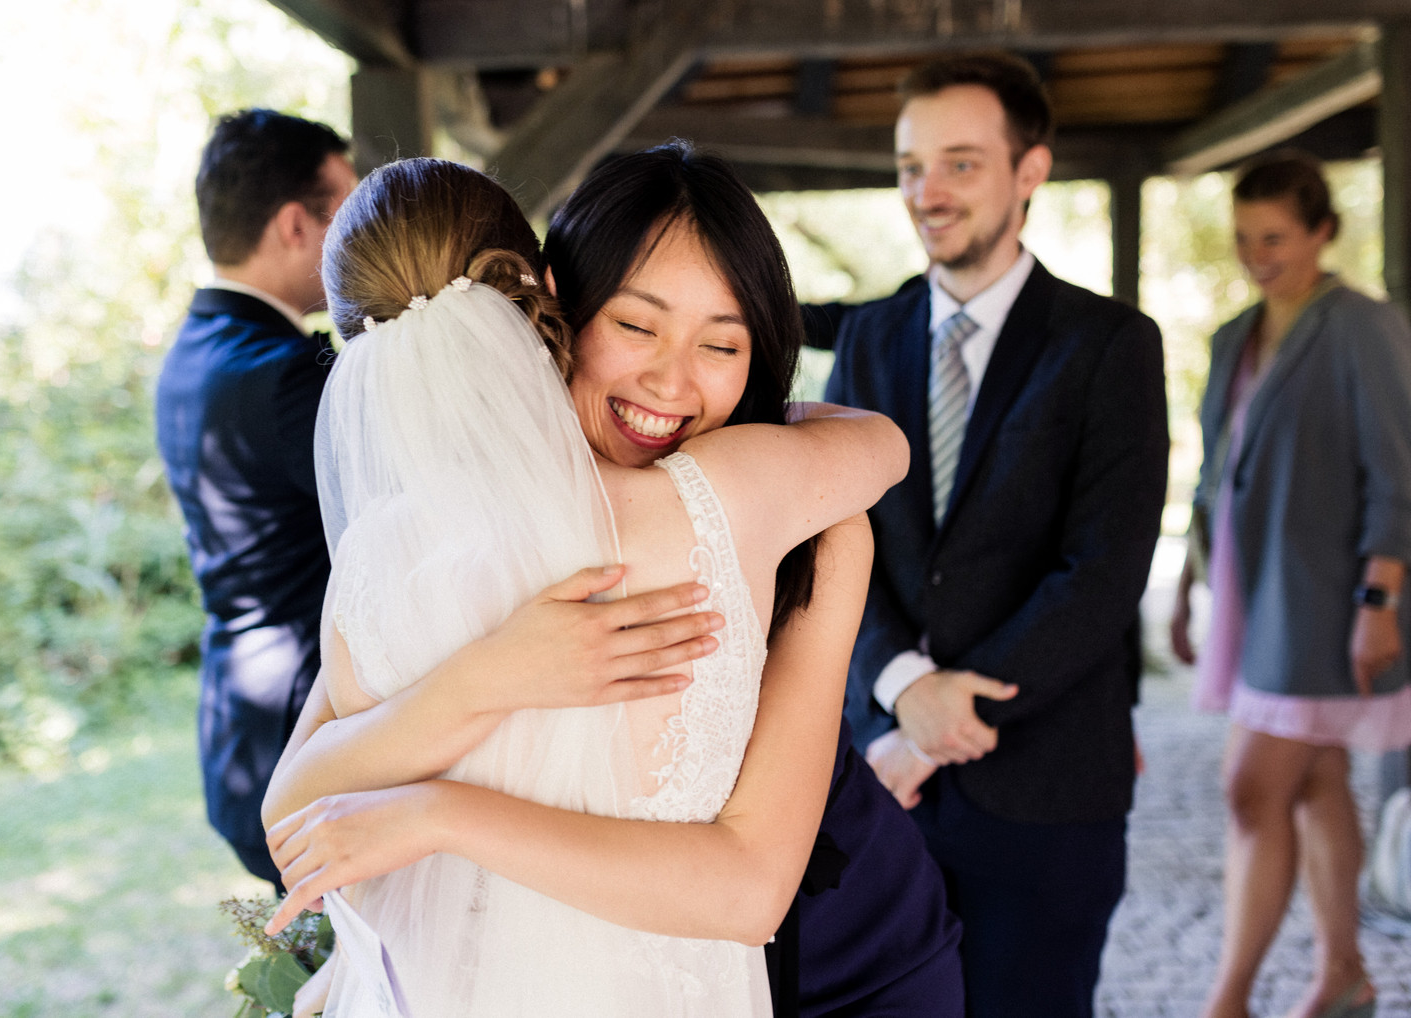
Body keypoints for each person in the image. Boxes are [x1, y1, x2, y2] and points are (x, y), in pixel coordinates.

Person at [260, 151, 921, 1016]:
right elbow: (883, 446)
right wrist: (493, 674)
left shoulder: (388, 555)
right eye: (637, 327)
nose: (671, 381)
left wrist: (439, 802)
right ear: (550, 295)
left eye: (721, 343)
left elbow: (293, 813)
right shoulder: (737, 499)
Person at [820, 52, 1169, 1017]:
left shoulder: (1111, 345)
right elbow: (834, 532)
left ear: (1030, 172)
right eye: (908, 166)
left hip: (1045, 790)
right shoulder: (868, 338)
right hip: (878, 783)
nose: (927, 192)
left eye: (961, 163)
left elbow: (1101, 573)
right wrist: (898, 689)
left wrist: (935, 728)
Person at [1168, 151, 1411, 1018]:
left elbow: (1399, 469)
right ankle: (1342, 973)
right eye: (1243, 237)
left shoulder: (1364, 325)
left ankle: (1226, 1001)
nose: (1256, 253)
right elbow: (1213, 474)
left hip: (1324, 602)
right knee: (1315, 782)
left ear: (1321, 233)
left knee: (1251, 790)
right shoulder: (1235, 335)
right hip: (1247, 591)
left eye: (1275, 237)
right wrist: (1191, 586)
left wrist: (1379, 598)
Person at [154, 108, 356, 887]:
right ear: (296, 225)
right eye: (347, 215)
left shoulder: (192, 351)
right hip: (307, 737)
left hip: (236, 721)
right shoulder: (283, 372)